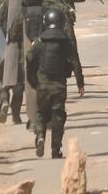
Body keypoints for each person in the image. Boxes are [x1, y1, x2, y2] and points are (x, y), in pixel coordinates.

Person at [26, 8, 84, 159]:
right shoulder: (65, 42)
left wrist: (33, 80)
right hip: (59, 86)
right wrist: (80, 83)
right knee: (58, 117)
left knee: (41, 114)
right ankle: (55, 150)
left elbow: (29, 59)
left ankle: (40, 136)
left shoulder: (39, 42)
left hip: (42, 85)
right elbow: (75, 62)